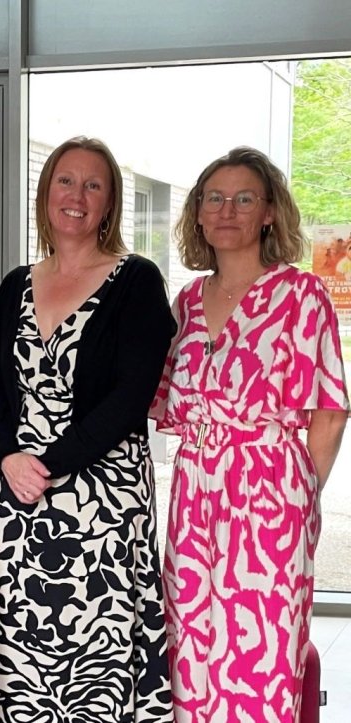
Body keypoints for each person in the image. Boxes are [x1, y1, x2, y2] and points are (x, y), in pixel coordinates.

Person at [0, 136, 174, 720]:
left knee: (98, 662)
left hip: (104, 502)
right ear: (46, 193)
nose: (77, 196)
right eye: (66, 181)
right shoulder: (16, 283)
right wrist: (9, 456)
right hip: (19, 499)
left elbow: (131, 396)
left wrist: (51, 464)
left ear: (110, 202)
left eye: (94, 185)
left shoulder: (136, 279)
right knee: (18, 664)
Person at [152, 146, 348, 721]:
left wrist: (297, 495)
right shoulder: (186, 301)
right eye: (214, 198)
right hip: (195, 488)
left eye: (244, 198)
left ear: (268, 213)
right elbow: (159, 395)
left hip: (270, 490)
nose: (227, 210)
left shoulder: (301, 295)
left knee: (263, 645)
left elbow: (330, 412)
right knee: (188, 638)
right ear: (198, 212)